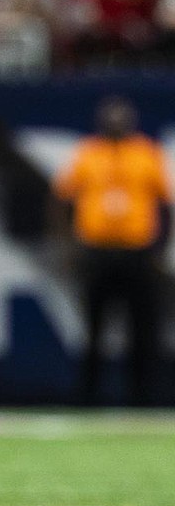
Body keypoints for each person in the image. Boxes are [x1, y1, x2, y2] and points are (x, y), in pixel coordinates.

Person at [54, 96, 173, 405]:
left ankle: (143, 398)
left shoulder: (146, 153)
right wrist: (70, 245)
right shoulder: (88, 152)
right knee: (94, 328)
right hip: (98, 253)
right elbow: (63, 199)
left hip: (138, 253)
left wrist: (160, 248)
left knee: (143, 328)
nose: (115, 124)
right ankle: (89, 397)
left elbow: (165, 203)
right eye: (110, 118)